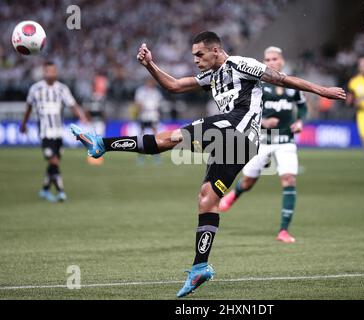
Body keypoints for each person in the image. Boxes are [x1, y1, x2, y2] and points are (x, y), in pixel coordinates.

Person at [70, 31, 346, 297]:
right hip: (235, 143)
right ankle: (200, 267)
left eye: (199, 54)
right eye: (194, 55)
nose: (195, 59)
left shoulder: (240, 64)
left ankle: (102, 144)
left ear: (216, 50)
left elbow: (282, 79)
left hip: (238, 127)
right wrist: (150, 65)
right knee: (206, 199)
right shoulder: (211, 75)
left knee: (172, 138)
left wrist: (322, 91)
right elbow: (174, 85)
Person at [219, 46, 307, 244]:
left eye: (274, 58)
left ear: (281, 61)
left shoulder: (291, 84)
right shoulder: (258, 85)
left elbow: (302, 105)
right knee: (249, 181)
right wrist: (263, 122)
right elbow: (244, 110)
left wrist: (300, 120)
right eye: (267, 59)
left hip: (285, 141)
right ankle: (236, 193)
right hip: (262, 141)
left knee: (289, 179)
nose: (271, 62)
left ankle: (283, 230)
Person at [20, 61, 87, 202]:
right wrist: (23, 124)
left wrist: (81, 116)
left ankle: (44, 190)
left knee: (54, 163)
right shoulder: (36, 89)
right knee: (54, 161)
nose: (51, 74)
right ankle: (61, 192)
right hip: (45, 133)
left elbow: (72, 104)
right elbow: (28, 108)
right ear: (44, 72)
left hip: (58, 133)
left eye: (53, 71)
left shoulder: (62, 89)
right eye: (48, 71)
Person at [134, 78, 164, 164]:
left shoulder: (156, 92)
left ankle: (156, 154)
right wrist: (141, 106)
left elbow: (159, 104)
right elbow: (137, 102)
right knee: (142, 135)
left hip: (153, 114)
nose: (151, 84)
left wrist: (157, 112)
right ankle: (141, 154)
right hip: (143, 114)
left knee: (155, 135)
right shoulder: (141, 91)